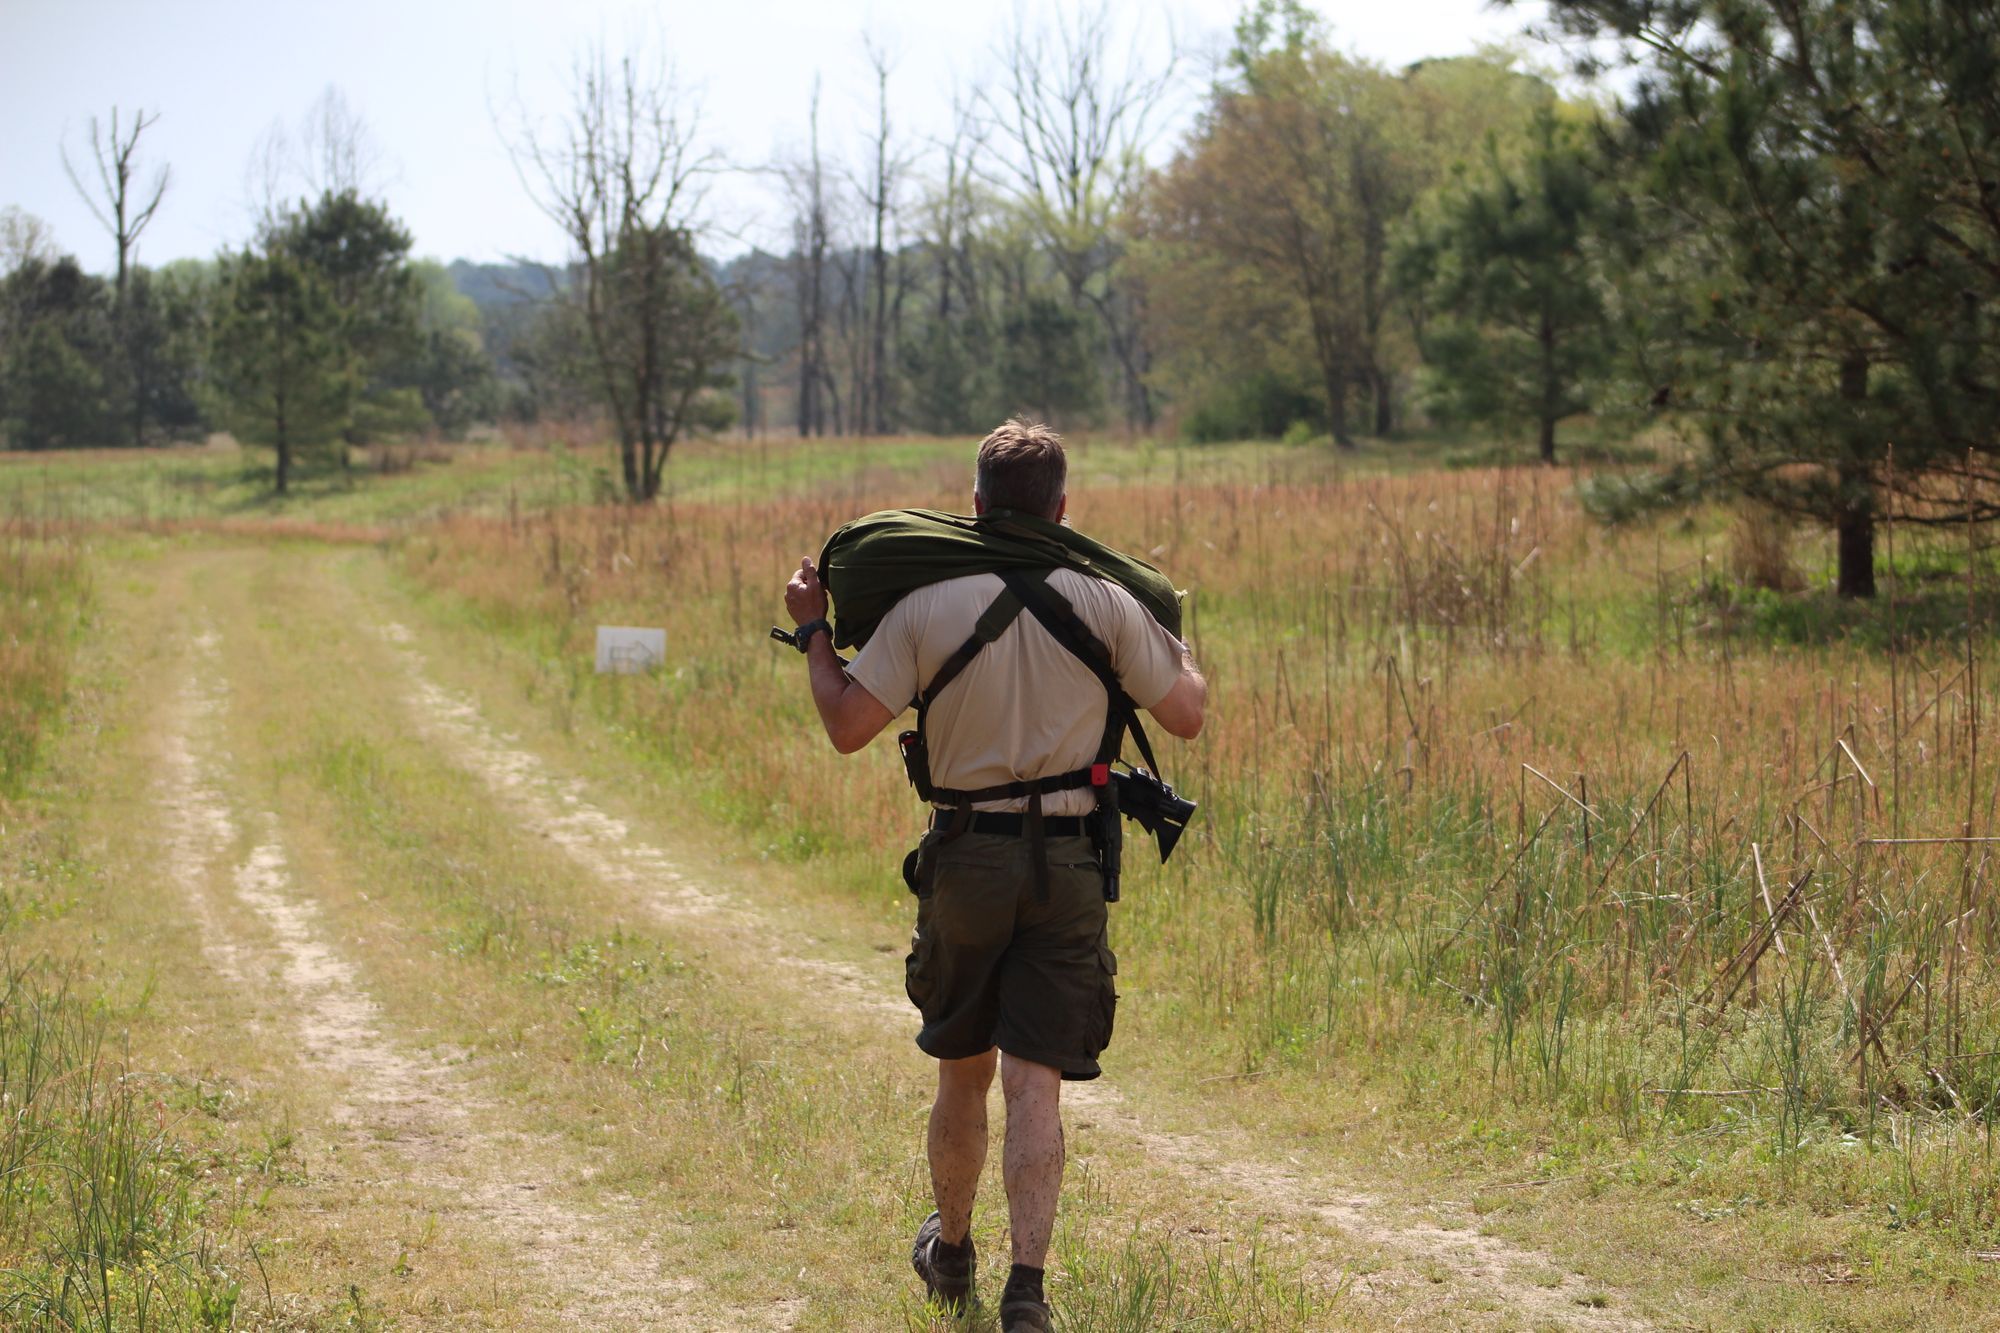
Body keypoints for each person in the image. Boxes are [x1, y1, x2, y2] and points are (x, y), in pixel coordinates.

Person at [781, 419, 1206, 1330]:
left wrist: (816, 634)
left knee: (961, 1068)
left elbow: (850, 725)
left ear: (974, 507)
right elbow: (1188, 717)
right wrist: (1174, 628)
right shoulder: (1107, 601)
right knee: (1035, 1081)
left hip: (967, 857)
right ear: (1061, 511)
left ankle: (954, 1251)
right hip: (1071, 858)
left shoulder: (929, 605)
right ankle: (1026, 1290)